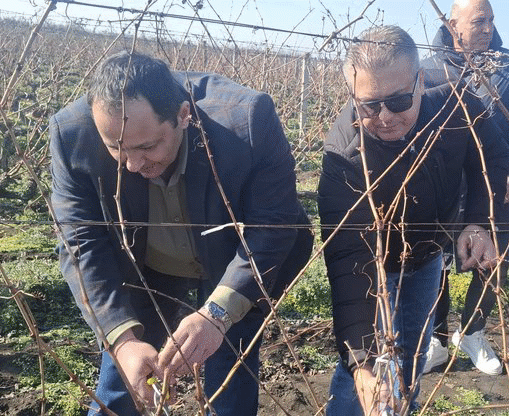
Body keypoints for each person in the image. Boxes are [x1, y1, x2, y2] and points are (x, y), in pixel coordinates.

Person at [49, 51, 313, 416]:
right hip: (144, 264)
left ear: (183, 116)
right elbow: (81, 244)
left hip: (230, 263)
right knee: (122, 382)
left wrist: (217, 313)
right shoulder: (72, 134)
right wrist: (123, 341)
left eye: (147, 147)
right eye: (116, 148)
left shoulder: (247, 121)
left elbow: (272, 225)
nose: (132, 165)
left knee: (230, 384)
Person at [317, 25, 508, 415]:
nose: (385, 117)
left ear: (420, 81)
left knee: (412, 357)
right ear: (353, 94)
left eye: (399, 100)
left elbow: (489, 152)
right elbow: (348, 262)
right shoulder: (344, 157)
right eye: (369, 105)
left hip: (427, 255)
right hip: (372, 263)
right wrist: (363, 366)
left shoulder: (455, 102)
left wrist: (477, 220)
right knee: (365, 368)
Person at [420, 0, 509, 375]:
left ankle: (473, 333)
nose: (488, 27)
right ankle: (437, 340)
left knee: (492, 262)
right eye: (479, 21)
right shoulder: (428, 68)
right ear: (452, 23)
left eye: (491, 20)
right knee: (435, 261)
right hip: (443, 186)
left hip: (496, 185)